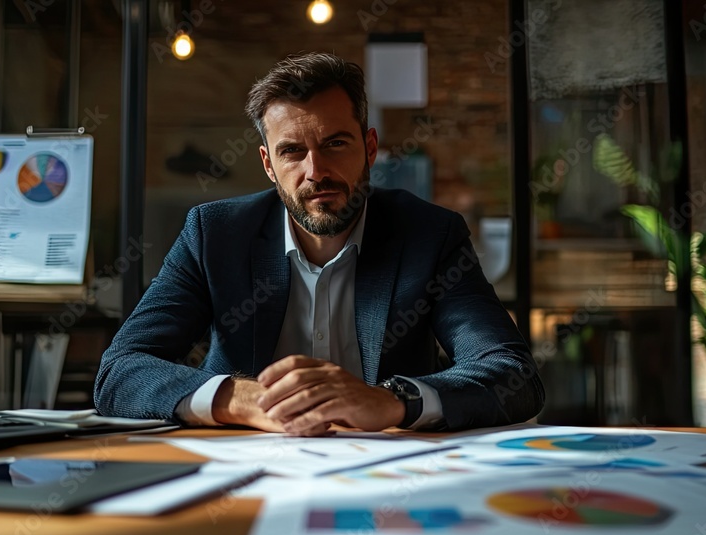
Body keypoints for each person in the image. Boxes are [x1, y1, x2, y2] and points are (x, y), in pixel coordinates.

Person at [95, 52, 544, 435]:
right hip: (241, 472)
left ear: (370, 148)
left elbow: (513, 374)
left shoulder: (429, 235)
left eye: (335, 143)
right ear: (269, 165)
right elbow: (120, 371)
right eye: (292, 151)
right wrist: (250, 400)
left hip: (385, 471)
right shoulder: (214, 234)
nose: (316, 171)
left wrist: (391, 401)